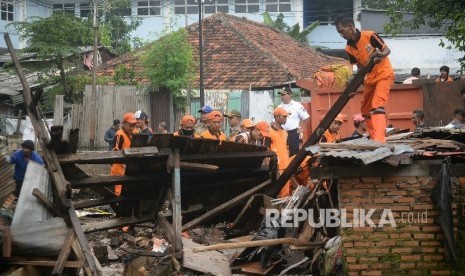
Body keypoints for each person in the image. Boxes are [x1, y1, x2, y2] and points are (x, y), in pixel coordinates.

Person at [335, 16, 394, 143]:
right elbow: (361, 68)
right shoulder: (349, 48)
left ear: (351, 26)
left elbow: (387, 50)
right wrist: (355, 88)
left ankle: (380, 140)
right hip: (370, 78)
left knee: (377, 105)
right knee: (365, 109)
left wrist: (380, 56)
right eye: (339, 32)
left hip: (383, 74)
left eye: (342, 31)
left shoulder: (370, 35)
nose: (341, 35)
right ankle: (373, 137)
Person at [277, 87, 310, 156]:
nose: (282, 96)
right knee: (282, 152)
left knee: (294, 153)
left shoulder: (297, 105)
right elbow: (275, 121)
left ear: (290, 95)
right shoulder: (279, 107)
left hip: (293, 133)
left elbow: (306, 117)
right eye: (281, 95)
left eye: (284, 94)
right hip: (282, 132)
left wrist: (302, 129)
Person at [111, 113, 137, 196]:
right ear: (124, 123)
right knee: (119, 193)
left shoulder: (133, 134)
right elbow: (115, 152)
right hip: (119, 169)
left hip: (128, 168)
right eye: (130, 125)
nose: (132, 127)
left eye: (134, 125)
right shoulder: (119, 134)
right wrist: (124, 163)